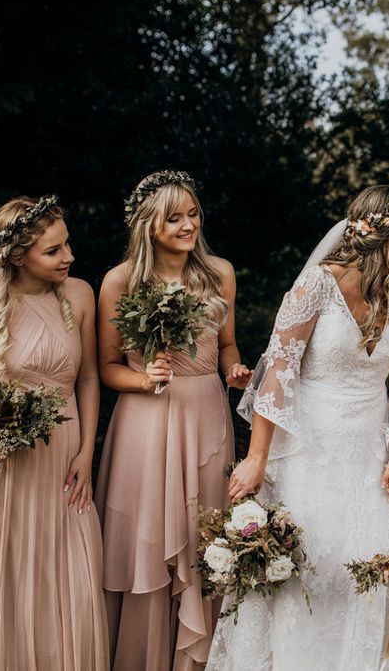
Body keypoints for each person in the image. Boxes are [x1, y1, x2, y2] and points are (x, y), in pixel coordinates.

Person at [207, 183, 389, 671]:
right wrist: (256, 458)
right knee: (305, 568)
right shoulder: (316, 286)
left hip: (369, 451)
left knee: (361, 569)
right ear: (387, 239)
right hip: (307, 445)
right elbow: (279, 373)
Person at [0, 196, 109, 670]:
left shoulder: (80, 294)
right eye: (54, 250)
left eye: (67, 244)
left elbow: (89, 378)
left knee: (73, 576)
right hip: (5, 462)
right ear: (18, 255)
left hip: (67, 459)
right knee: (10, 575)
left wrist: (86, 453)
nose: (68, 256)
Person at [94, 171, 250, 671]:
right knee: (149, 533)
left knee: (203, 529)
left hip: (205, 412)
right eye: (175, 217)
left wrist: (234, 370)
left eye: (193, 214)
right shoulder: (121, 281)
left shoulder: (219, 272)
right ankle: (141, 656)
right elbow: (106, 367)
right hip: (145, 417)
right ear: (149, 224)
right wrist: (145, 378)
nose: (188, 225)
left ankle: (198, 660)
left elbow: (226, 344)